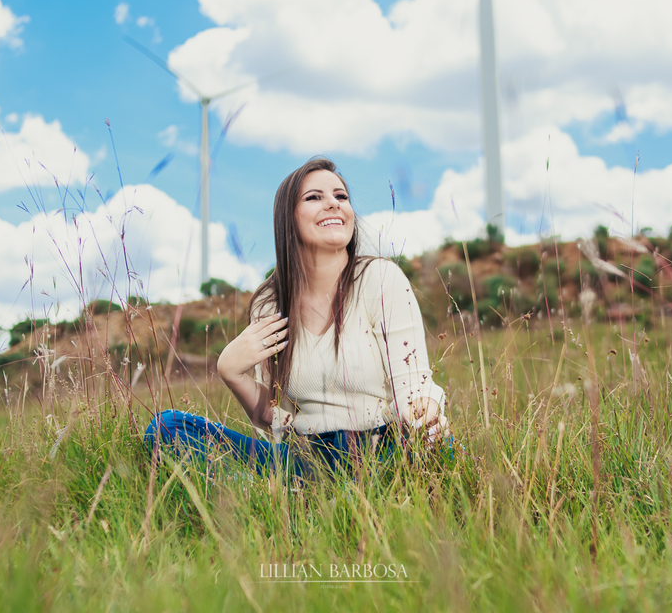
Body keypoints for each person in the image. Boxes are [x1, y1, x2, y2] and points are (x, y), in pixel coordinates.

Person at [145, 156, 449, 476]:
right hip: (306, 457)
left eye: (341, 196)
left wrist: (424, 423)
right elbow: (278, 419)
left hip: (384, 446)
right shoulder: (270, 302)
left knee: (443, 456)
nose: (333, 203)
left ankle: (301, 497)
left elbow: (413, 390)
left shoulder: (381, 278)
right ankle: (288, 494)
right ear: (288, 218)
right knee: (166, 428)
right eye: (314, 197)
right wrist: (231, 372)